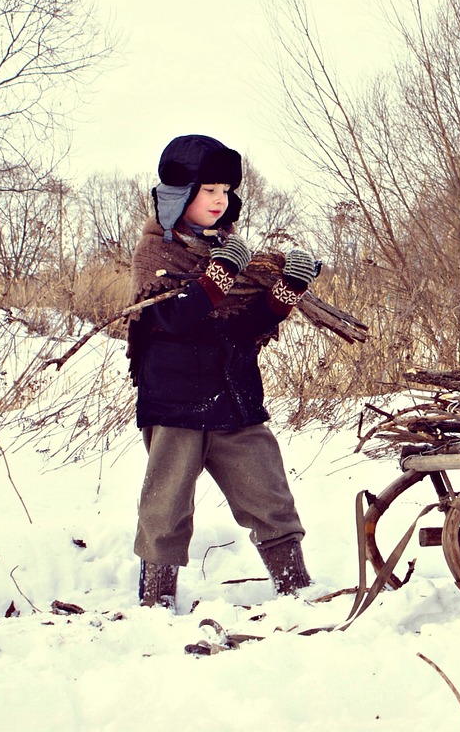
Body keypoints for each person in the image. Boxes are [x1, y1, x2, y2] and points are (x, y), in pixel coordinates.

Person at [125, 134, 319, 610]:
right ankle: (155, 603)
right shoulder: (157, 254)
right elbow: (170, 319)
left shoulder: (235, 254)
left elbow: (250, 326)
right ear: (179, 194)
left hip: (234, 397)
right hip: (173, 401)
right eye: (207, 188)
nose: (219, 199)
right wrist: (217, 277)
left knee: (269, 494)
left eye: (226, 190)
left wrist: (287, 289)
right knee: (165, 509)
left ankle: (298, 591)